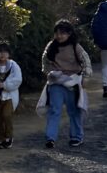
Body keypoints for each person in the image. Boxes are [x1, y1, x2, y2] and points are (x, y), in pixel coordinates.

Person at [39, 20, 92, 150]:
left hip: (72, 82)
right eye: (57, 33)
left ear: (69, 33)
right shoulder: (51, 46)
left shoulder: (76, 47)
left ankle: (76, 137)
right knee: (54, 110)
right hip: (56, 82)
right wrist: (49, 73)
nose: (59, 36)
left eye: (62, 33)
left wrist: (85, 77)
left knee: (74, 111)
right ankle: (50, 138)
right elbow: (44, 61)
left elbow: (86, 61)